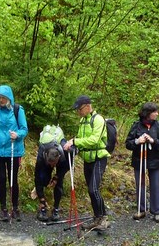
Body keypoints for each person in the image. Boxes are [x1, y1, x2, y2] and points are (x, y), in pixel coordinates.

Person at [63, 95, 109, 231]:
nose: (78, 112)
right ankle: (97, 218)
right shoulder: (83, 120)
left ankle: (103, 219)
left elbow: (94, 139)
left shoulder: (98, 120)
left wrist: (76, 142)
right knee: (92, 189)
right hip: (87, 159)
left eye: (80, 109)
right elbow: (80, 138)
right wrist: (72, 143)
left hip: (99, 158)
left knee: (93, 188)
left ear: (88, 106)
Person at [0, 84, 28, 221]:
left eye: (3, 97)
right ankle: (4, 208)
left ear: (9, 98)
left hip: (13, 150)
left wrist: (17, 134)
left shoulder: (17, 110)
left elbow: (24, 129)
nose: (1, 100)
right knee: (1, 179)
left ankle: (15, 207)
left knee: (13, 179)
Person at [125, 102, 159, 222]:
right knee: (140, 184)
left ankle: (157, 211)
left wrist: (153, 141)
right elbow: (128, 143)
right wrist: (137, 141)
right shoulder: (136, 126)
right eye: (154, 112)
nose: (157, 114)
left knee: (155, 184)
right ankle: (141, 209)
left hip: (154, 159)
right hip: (139, 159)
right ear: (148, 113)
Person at [33, 125, 72, 222]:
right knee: (43, 179)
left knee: (59, 183)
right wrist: (41, 199)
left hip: (61, 155)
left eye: (53, 164)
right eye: (49, 164)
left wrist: (57, 176)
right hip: (46, 151)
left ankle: (56, 209)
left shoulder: (65, 153)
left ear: (58, 158)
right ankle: (42, 208)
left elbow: (67, 167)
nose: (52, 166)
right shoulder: (41, 157)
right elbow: (37, 178)